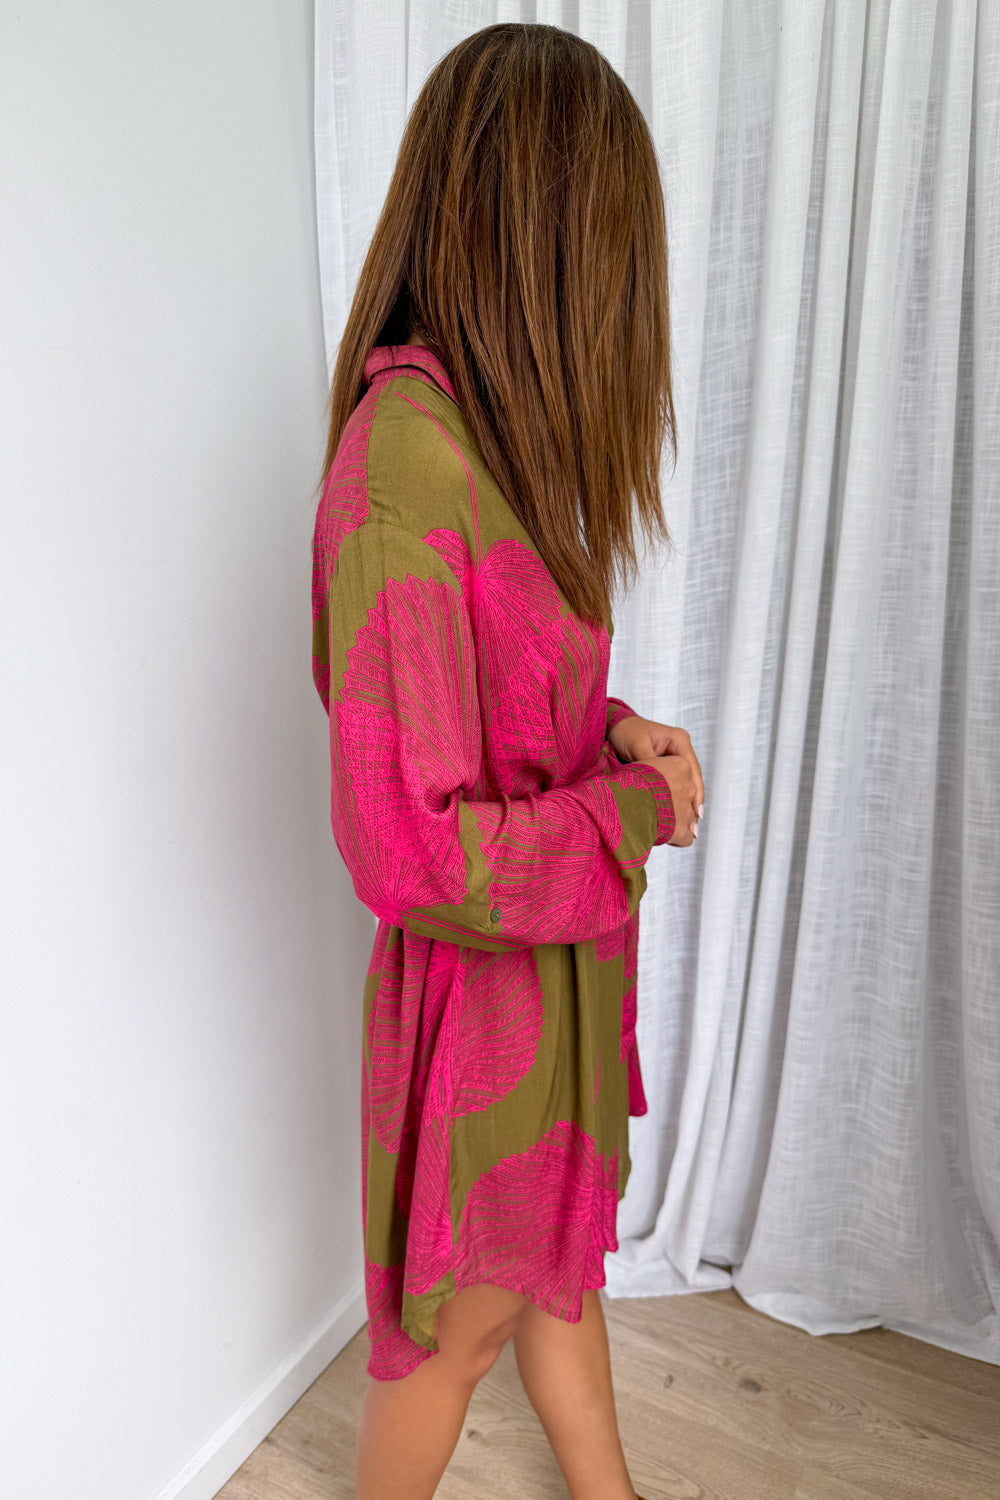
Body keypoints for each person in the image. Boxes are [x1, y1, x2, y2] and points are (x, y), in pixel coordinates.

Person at [310, 21, 704, 1500]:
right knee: (456, 1337)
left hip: (553, 973)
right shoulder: (404, 463)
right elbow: (407, 844)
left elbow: (498, 691)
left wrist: (610, 732)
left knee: (556, 1278)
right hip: (486, 1004)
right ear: (539, 236)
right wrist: (631, 811)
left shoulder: (480, 436)